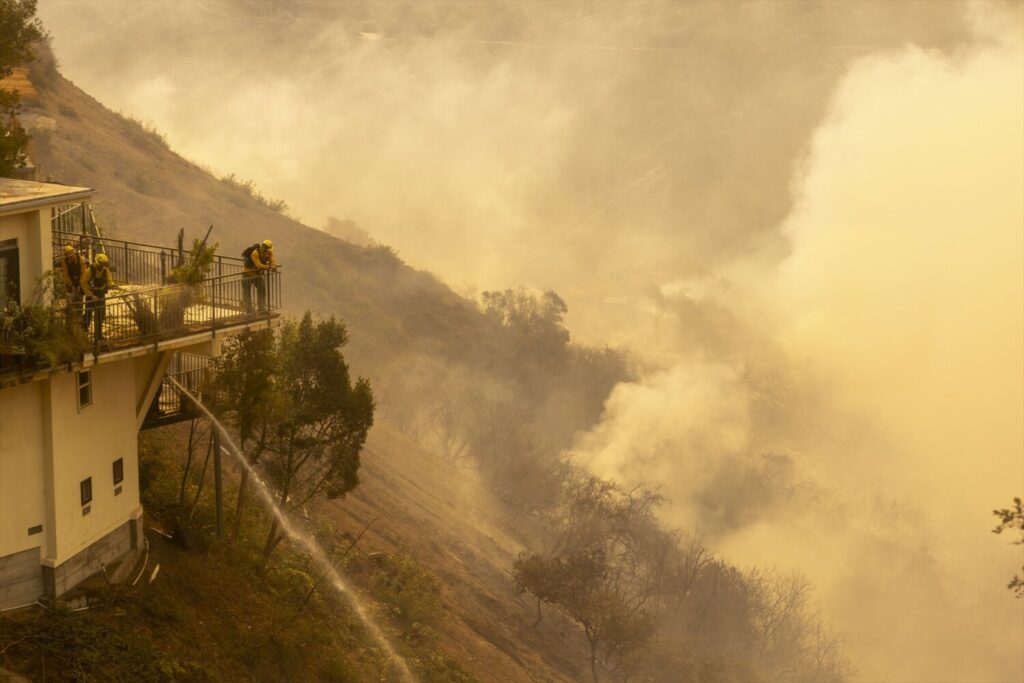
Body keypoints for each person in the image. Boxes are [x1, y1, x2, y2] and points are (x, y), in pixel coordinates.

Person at [82, 253, 113, 340]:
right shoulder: (90, 270)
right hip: (91, 294)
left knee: (100, 315)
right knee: (88, 313)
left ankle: (98, 335)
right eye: (102, 265)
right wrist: (91, 295)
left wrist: (111, 285)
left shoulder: (105, 270)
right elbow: (84, 283)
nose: (103, 266)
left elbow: (109, 279)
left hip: (101, 293)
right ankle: (83, 332)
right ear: (98, 263)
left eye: (105, 265)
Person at [242, 239, 277, 313]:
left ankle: (261, 308)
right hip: (247, 274)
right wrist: (269, 267)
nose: (268, 251)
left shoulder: (269, 253)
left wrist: (273, 266)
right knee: (247, 292)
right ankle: (249, 309)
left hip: (257, 274)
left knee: (262, 290)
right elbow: (258, 264)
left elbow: (272, 260)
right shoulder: (255, 253)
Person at [59, 244, 87, 324]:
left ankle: (79, 320)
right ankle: (69, 323)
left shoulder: (81, 259)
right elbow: (65, 274)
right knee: (70, 304)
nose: (71, 258)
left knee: (79, 302)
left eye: (72, 256)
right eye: (69, 257)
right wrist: (71, 285)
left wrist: (79, 284)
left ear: (74, 254)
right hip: (70, 285)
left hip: (80, 283)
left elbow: (83, 273)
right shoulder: (64, 262)